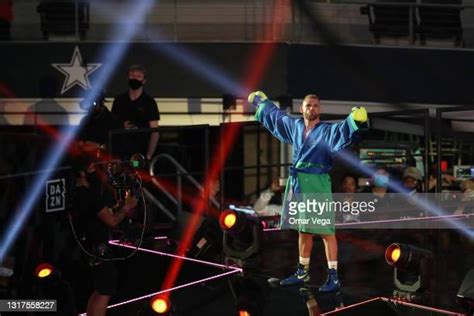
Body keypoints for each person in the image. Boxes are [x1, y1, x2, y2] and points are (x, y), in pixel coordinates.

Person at [248, 91, 367, 292]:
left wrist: (354, 118)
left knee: (325, 231)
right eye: (308, 105)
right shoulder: (295, 126)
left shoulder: (326, 130)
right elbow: (278, 118)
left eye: (315, 105)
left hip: (317, 184)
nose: (312, 108)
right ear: (302, 109)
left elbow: (342, 130)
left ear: (319, 109)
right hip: (299, 183)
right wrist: (264, 103)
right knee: (303, 229)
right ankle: (302, 271)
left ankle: (333, 277)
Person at [71, 154, 137, 316]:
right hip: (96, 247)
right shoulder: (88, 195)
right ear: (84, 172)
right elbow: (112, 221)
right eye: (93, 168)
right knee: (106, 287)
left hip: (89, 244)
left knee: (101, 288)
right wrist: (126, 208)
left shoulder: (79, 192)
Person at [111, 64, 160, 161]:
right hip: (120, 152)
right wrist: (122, 125)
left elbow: (155, 132)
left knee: (137, 174)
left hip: (140, 152)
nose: (135, 79)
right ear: (128, 78)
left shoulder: (149, 102)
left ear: (144, 81)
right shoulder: (119, 100)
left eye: (138, 77)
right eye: (132, 76)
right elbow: (111, 123)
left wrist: (149, 155)